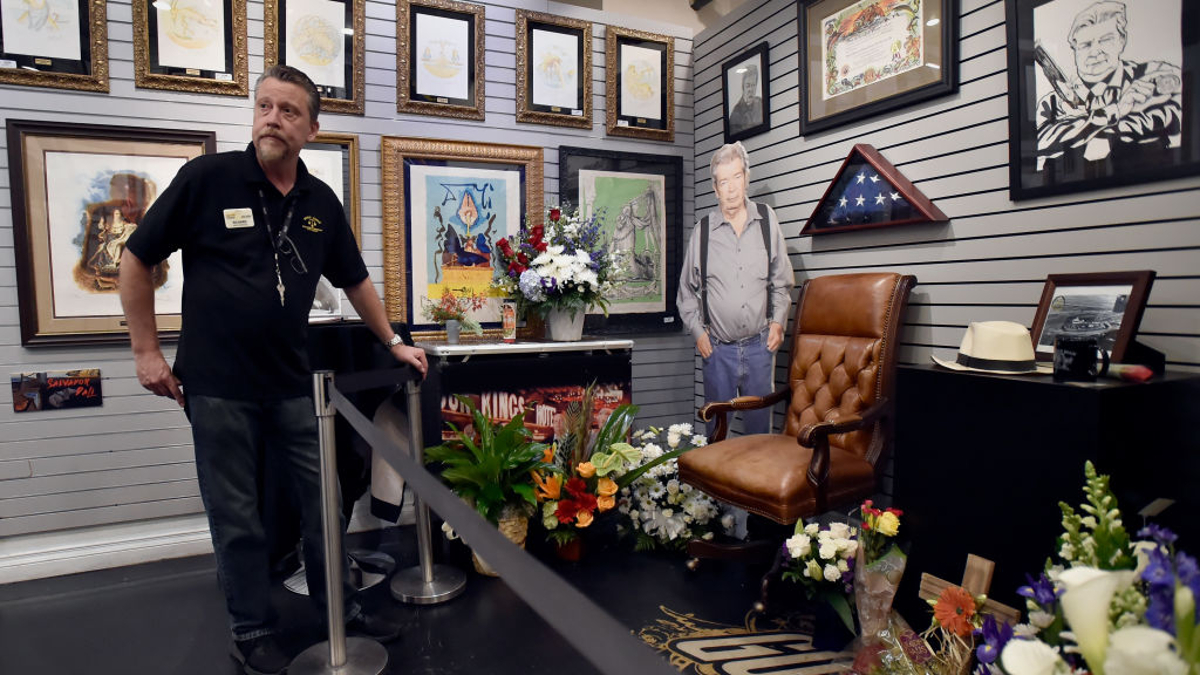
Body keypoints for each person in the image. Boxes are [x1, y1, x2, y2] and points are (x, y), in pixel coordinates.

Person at [119, 64, 428, 675]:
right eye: (264, 106)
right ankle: (252, 627)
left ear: (312, 128)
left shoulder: (319, 202)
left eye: (289, 111)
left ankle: (339, 612)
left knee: (324, 503)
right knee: (237, 514)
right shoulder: (208, 179)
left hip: (294, 384)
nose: (272, 119)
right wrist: (145, 352)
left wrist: (392, 340)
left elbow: (355, 280)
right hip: (216, 385)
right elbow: (136, 258)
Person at [677, 142, 793, 436]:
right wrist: (698, 333)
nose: (731, 189)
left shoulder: (767, 221)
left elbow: (781, 281)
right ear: (715, 189)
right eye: (723, 181)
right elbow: (686, 293)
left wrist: (778, 322)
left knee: (760, 435)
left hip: (760, 347)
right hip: (718, 351)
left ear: (746, 179)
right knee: (716, 434)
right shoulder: (703, 231)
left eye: (736, 177)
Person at [1036, 0, 1182, 171]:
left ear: (1122, 40)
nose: (1095, 51)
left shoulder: (1155, 75)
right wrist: (1114, 112)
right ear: (1074, 49)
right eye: (1086, 45)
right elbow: (1041, 144)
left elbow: (1171, 116)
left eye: (1105, 40)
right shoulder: (1053, 102)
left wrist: (1082, 128)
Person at [728, 64, 763, 135]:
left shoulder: (761, 103)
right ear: (743, 87)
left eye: (753, 85)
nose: (750, 89)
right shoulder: (736, 113)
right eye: (748, 85)